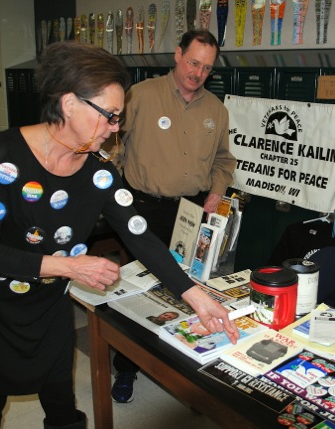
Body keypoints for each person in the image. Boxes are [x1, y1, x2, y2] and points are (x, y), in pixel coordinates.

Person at [0, 41, 239, 429]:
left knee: (61, 403)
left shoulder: (99, 173)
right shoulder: (4, 153)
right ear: (69, 104)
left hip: (46, 306)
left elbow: (141, 237)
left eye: (119, 118)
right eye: (110, 116)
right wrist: (69, 266)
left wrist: (196, 296)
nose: (116, 129)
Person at [110, 29, 236, 403]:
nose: (198, 73)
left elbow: (224, 161)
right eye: (193, 62)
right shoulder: (141, 96)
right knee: (144, 291)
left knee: (191, 290)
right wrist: (110, 196)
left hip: (192, 212)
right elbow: (112, 146)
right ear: (178, 55)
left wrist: (216, 191)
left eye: (207, 68)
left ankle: (185, 368)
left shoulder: (216, 109)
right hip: (143, 209)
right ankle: (127, 367)